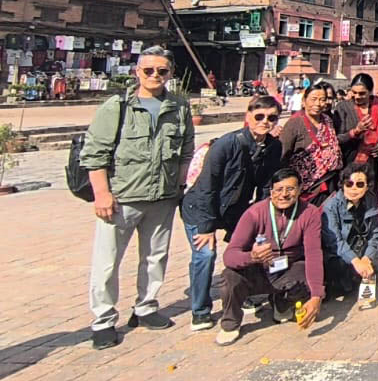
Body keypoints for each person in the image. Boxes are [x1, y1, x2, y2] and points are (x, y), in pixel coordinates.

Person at [83, 47, 195, 349]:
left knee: (155, 258)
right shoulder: (117, 106)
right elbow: (95, 155)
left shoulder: (179, 107)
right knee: (107, 264)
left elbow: (186, 152)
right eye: (149, 70)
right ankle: (104, 319)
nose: (155, 76)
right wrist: (102, 194)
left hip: (162, 197)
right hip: (122, 198)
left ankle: (146, 307)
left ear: (170, 74)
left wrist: (179, 185)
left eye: (162, 71)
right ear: (137, 72)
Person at [180, 95, 282, 331]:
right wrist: (207, 227)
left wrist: (263, 220)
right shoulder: (227, 144)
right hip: (202, 206)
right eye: (259, 116)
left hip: (235, 208)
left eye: (271, 118)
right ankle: (200, 309)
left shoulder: (273, 146)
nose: (265, 122)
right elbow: (207, 184)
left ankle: (244, 293)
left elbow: (266, 186)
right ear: (248, 116)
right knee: (205, 254)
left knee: (250, 248)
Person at [216, 169, 324, 346]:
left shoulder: (309, 213)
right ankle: (230, 323)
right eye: (279, 189)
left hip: (287, 269)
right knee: (230, 276)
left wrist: (316, 296)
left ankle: (281, 304)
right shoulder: (255, 213)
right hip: (258, 269)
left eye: (290, 189)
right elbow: (229, 256)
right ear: (271, 191)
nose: (284, 194)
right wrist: (252, 256)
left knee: (307, 272)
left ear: (299, 190)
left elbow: (314, 253)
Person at [321, 167, 378, 304]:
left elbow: (375, 234)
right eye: (349, 184)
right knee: (343, 281)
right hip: (337, 255)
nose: (354, 188)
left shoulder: (371, 201)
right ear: (342, 185)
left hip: (359, 250)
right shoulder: (330, 206)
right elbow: (334, 242)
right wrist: (356, 261)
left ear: (367, 186)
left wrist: (367, 257)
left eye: (360, 184)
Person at [279, 85, 345, 204]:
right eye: (313, 99)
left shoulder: (327, 120)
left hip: (330, 182)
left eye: (322, 99)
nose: (318, 104)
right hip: (306, 188)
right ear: (304, 101)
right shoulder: (294, 123)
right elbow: (283, 155)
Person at [333, 73, 378, 176]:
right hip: (348, 162)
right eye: (354, 92)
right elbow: (336, 139)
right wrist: (356, 131)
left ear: (370, 92)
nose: (357, 97)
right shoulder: (343, 108)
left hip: (372, 165)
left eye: (362, 93)